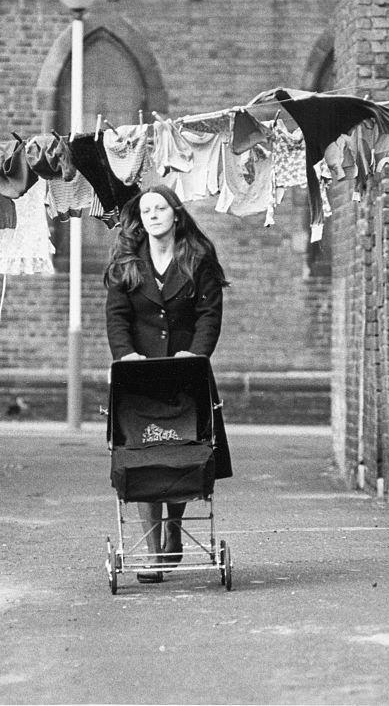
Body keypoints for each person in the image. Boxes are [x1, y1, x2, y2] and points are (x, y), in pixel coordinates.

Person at [104, 184, 232, 583]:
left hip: (185, 373)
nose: (153, 215)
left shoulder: (198, 258)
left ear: (175, 213)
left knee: (181, 451)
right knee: (141, 453)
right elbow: (117, 316)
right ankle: (152, 551)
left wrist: (196, 353)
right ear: (140, 219)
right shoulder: (126, 262)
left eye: (160, 208)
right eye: (146, 210)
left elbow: (210, 313)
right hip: (140, 375)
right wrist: (125, 355)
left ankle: (174, 529)